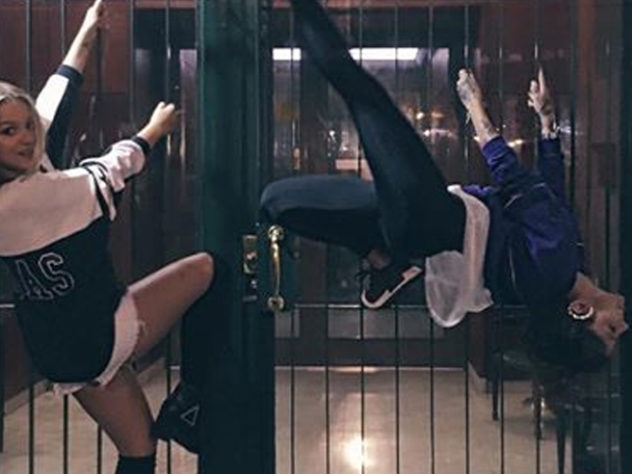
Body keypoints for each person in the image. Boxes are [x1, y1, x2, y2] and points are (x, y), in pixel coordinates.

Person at [259, 0, 627, 373]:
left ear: (580, 310)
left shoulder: (555, 268)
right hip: (422, 229)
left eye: (611, 329)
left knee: (360, 92)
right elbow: (553, 194)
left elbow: (517, 183)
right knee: (274, 203)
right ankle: (384, 263)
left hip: (428, 217)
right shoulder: (566, 266)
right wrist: (547, 123)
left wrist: (475, 108)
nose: (624, 324)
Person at [0, 1, 219, 471]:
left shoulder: (22, 171)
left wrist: (86, 32)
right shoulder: (29, 198)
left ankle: (184, 412)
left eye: (25, 127)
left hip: (57, 348)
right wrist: (153, 132)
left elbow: (55, 98)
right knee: (205, 269)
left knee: (139, 449)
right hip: (99, 332)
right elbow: (106, 172)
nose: (25, 138)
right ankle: (192, 400)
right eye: (7, 131)